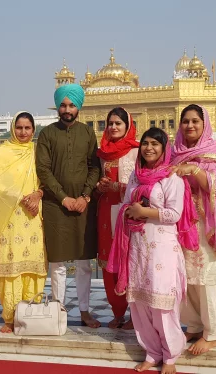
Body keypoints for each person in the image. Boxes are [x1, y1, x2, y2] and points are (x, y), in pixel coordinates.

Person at [108, 128, 188, 374]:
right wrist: (130, 212)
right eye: (145, 143)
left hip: (162, 247)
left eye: (155, 143)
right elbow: (125, 205)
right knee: (141, 303)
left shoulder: (172, 179)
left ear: (165, 148)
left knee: (162, 302)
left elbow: (174, 214)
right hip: (137, 246)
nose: (149, 148)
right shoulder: (135, 176)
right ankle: (152, 353)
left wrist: (144, 212)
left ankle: (170, 356)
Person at [168, 104, 216, 356]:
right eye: (185, 121)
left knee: (207, 278)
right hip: (182, 225)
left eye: (195, 121)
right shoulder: (175, 152)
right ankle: (193, 324)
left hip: (207, 225)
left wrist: (194, 169)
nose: (190, 126)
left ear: (205, 124)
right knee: (186, 278)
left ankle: (213, 332)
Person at [36, 83, 102, 328]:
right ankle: (58, 309)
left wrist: (85, 196)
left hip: (84, 205)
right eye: (63, 105)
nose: (67, 109)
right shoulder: (47, 134)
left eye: (71, 105)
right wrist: (64, 198)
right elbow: (43, 169)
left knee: (84, 263)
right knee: (58, 263)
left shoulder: (87, 133)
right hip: (56, 205)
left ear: (79, 107)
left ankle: (84, 311)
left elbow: (95, 167)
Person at [0, 112, 47, 334]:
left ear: (33, 130)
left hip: (34, 215)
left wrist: (38, 194)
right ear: (14, 128)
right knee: (11, 266)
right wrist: (21, 197)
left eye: (28, 128)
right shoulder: (3, 151)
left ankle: (31, 312)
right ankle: (10, 317)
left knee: (33, 264)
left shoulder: (37, 151)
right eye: (20, 128)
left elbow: (45, 177)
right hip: (11, 216)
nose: (23, 132)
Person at [95, 107, 139, 330]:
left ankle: (135, 315)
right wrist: (100, 186)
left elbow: (141, 186)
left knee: (129, 263)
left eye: (118, 124)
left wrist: (118, 187)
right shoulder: (102, 152)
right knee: (109, 265)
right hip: (106, 212)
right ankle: (118, 312)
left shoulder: (137, 152)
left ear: (127, 126)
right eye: (109, 123)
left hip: (128, 214)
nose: (112, 127)